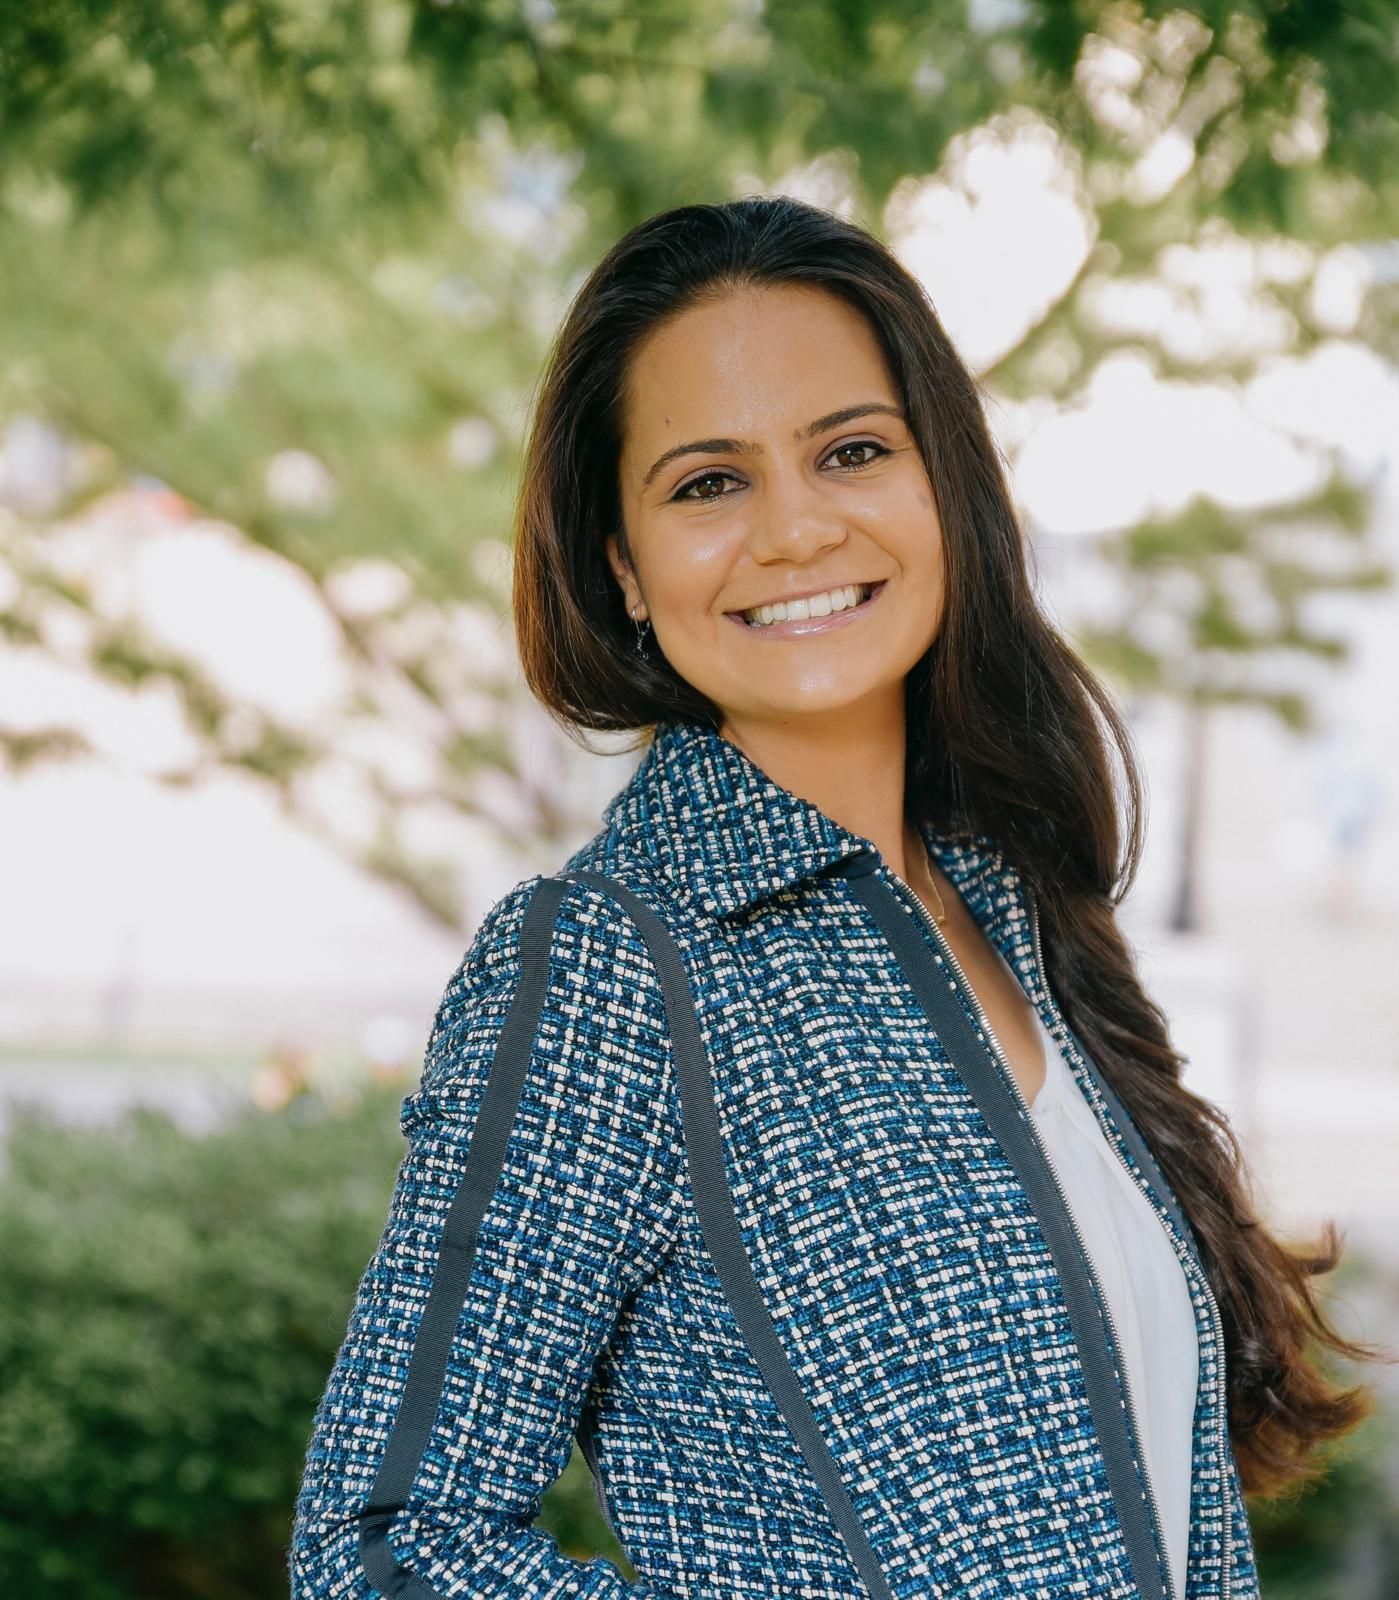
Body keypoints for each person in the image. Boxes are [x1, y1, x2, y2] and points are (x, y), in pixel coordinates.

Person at [288, 196, 1385, 1599]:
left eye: (853, 452)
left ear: (945, 493)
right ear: (622, 565)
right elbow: (386, 1542)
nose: (796, 529)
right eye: (707, 483)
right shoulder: (613, 967)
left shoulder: (1009, 896)